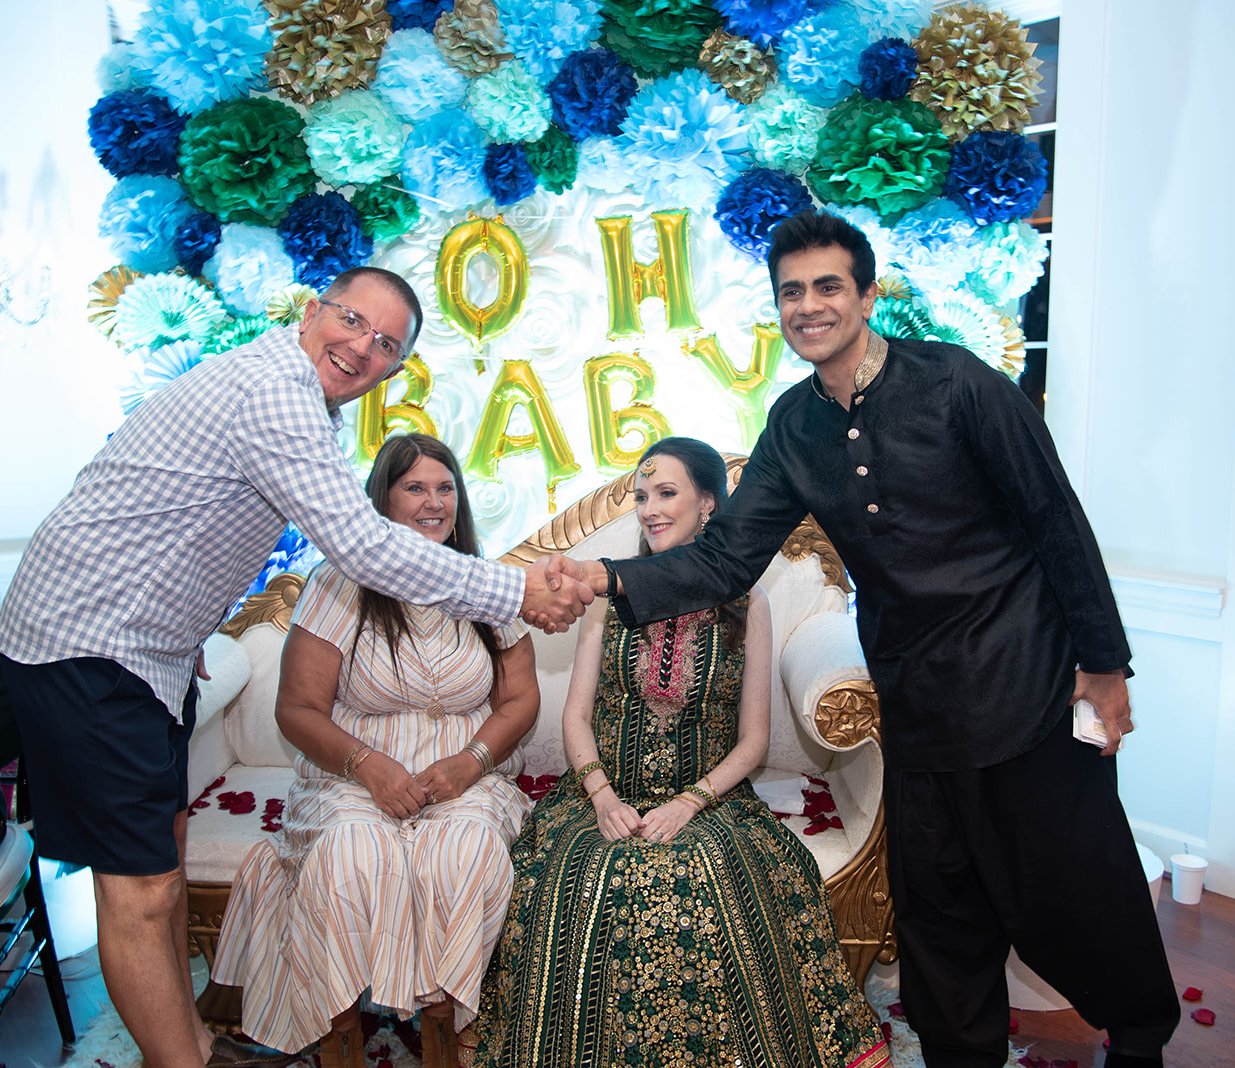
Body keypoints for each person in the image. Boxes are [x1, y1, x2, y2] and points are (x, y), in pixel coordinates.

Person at [557, 211, 1180, 1068]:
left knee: (1074, 888)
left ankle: (1138, 1042)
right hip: (915, 701)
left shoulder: (956, 382)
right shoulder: (792, 426)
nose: (808, 306)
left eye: (828, 286)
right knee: (941, 909)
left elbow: (1055, 520)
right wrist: (605, 578)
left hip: (1022, 679)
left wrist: (1103, 665)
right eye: (791, 292)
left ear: (866, 295)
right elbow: (727, 558)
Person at [0, 266, 591, 1068]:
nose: (363, 348)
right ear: (313, 312)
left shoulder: (305, 404)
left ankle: (196, 1042)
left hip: (148, 650)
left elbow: (176, 516)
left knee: (165, 857)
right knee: (141, 887)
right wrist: (516, 590)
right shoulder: (276, 392)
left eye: (386, 344)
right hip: (93, 645)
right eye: (352, 321)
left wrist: (179, 629)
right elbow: (360, 549)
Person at [470, 437, 889, 1068]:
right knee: (584, 874)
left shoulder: (748, 603)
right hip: (601, 796)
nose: (649, 510)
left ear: (709, 505)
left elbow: (752, 740)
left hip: (711, 800)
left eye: (666, 493)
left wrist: (689, 803)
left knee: (706, 873)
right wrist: (602, 797)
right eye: (642, 497)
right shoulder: (608, 593)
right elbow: (576, 716)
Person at [212, 433, 539, 1068]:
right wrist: (369, 767)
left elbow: (520, 699)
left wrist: (471, 762)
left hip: (467, 778)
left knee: (464, 851)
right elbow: (297, 709)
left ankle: (446, 1037)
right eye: (414, 488)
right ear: (381, 501)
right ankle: (340, 1041)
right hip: (351, 778)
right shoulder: (339, 584)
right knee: (352, 850)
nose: (433, 503)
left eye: (444, 488)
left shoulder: (487, 583)